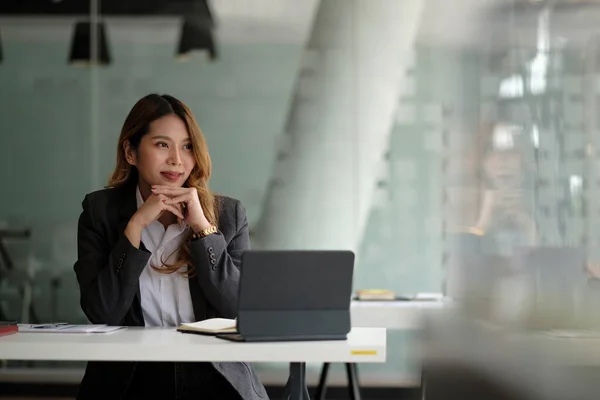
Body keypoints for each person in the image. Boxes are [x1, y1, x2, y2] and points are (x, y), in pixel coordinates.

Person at [73, 94, 268, 400]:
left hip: (214, 375)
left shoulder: (228, 215)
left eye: (187, 146)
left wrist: (203, 230)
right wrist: (134, 227)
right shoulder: (100, 213)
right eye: (162, 144)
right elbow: (103, 312)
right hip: (132, 377)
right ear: (130, 151)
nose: (177, 159)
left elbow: (239, 310)